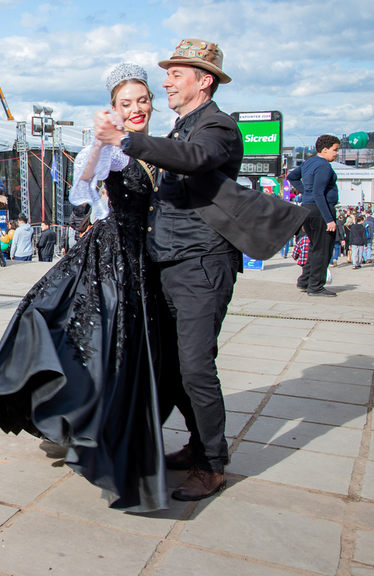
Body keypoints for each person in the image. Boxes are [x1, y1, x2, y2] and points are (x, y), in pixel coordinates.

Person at [0, 64, 167, 511]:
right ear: (113, 109)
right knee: (79, 334)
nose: (136, 109)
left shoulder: (160, 147)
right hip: (108, 253)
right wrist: (101, 143)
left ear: (151, 104)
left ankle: (101, 424)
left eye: (141, 101)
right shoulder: (110, 149)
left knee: (123, 347)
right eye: (125, 103)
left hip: (143, 259)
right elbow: (82, 187)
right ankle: (71, 420)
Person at [95, 41, 258, 502]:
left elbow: (196, 159)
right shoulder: (184, 125)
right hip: (171, 263)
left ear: (203, 80)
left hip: (202, 265)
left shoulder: (216, 126)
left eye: (176, 73)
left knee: (196, 368)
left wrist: (124, 139)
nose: (165, 80)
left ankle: (212, 465)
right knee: (174, 368)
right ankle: (196, 445)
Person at [287, 135, 340, 297]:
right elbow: (318, 193)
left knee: (314, 247)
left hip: (308, 208)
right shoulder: (324, 166)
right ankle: (316, 286)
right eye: (335, 150)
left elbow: (292, 177)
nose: (337, 153)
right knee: (323, 249)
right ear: (325, 149)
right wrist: (329, 219)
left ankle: (305, 281)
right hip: (321, 210)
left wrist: (305, 192)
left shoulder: (309, 162)